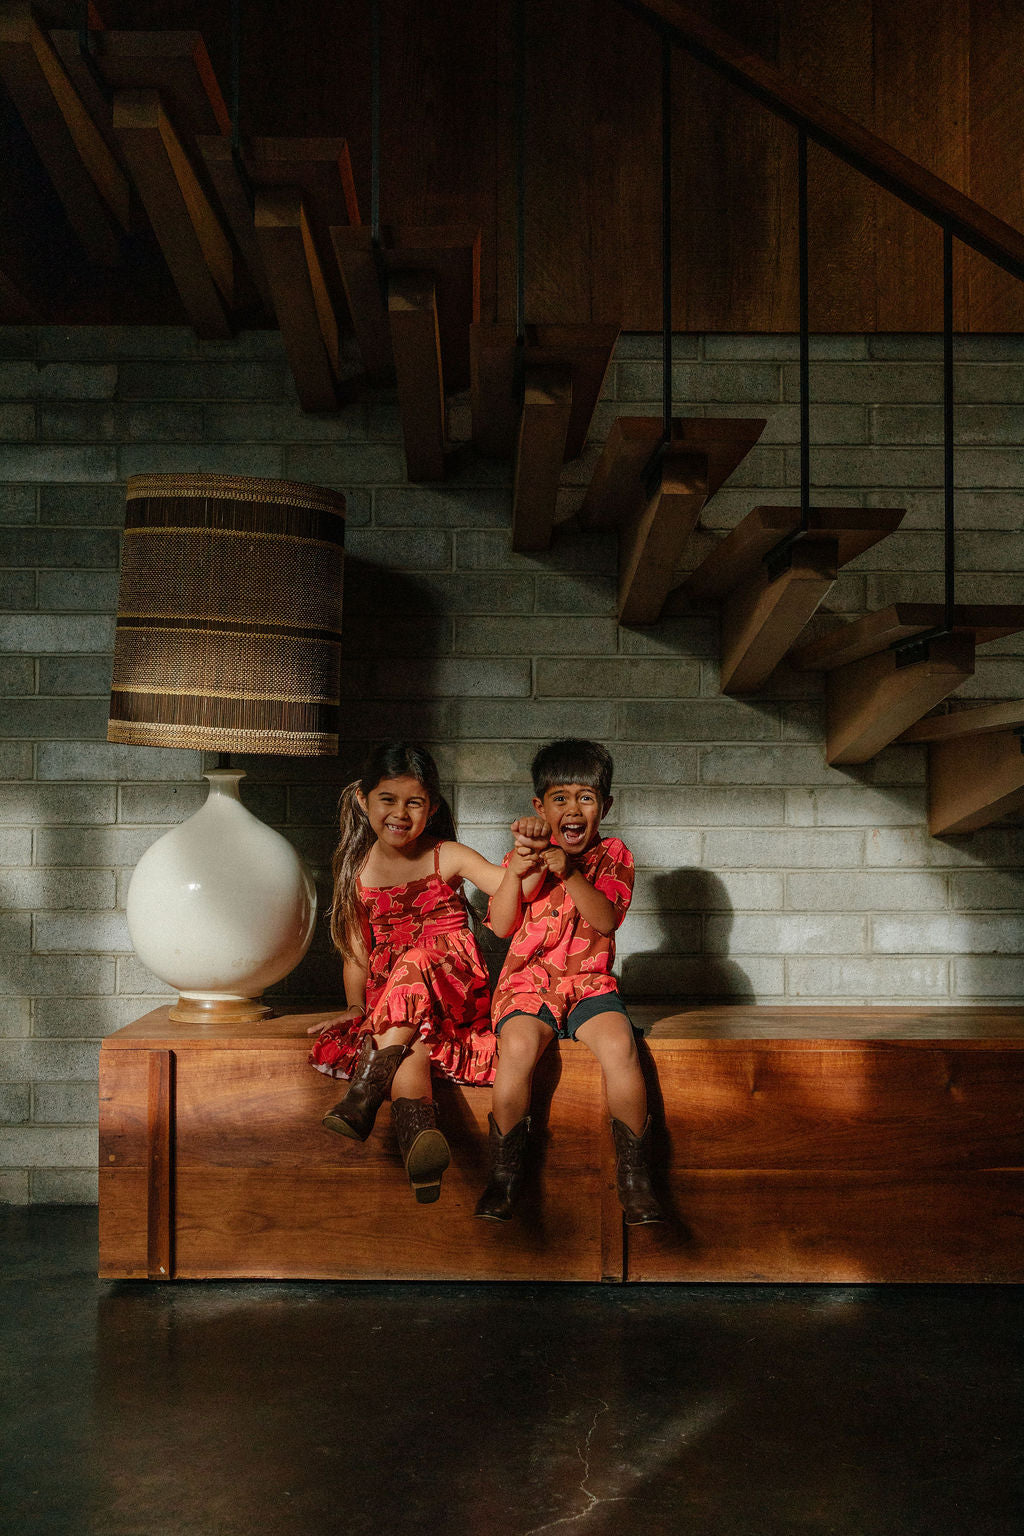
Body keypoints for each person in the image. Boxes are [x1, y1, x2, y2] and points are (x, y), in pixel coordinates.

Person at [308, 742, 536, 1204]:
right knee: (411, 1050)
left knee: (416, 959)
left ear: (431, 807)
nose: (400, 813)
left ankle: (365, 1094)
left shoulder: (445, 855)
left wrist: (525, 860)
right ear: (363, 800)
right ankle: (419, 1141)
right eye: (387, 800)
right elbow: (356, 953)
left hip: (450, 982)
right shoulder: (356, 868)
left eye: (414, 802)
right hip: (395, 1002)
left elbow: (508, 897)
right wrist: (355, 1007)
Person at [475, 738, 664, 1226]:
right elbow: (499, 925)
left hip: (588, 984)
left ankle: (636, 1180)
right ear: (541, 806)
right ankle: (503, 1175)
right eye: (560, 798)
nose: (573, 808)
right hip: (528, 984)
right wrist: (518, 870)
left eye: (586, 797)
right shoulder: (526, 852)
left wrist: (571, 871)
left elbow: (605, 921)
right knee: (516, 1049)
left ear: (605, 806)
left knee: (621, 1046)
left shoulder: (615, 854)